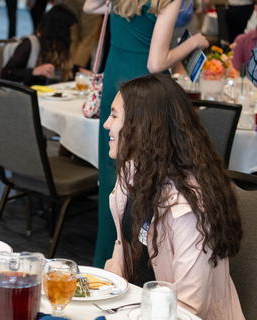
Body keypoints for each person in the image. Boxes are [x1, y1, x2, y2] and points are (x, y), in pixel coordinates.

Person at [103, 73, 244, 319]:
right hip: (134, 307)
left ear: (142, 127)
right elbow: (124, 248)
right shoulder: (133, 170)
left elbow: (188, 309)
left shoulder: (188, 210)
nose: (106, 123)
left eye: (114, 115)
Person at [84, 0, 209, 268]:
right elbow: (155, 63)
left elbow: (89, 6)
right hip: (143, 92)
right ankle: (146, 265)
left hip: (114, 84)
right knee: (149, 176)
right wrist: (194, 42)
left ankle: (108, 261)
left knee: (113, 174)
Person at [1, 4, 91, 86]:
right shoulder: (30, 43)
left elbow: (57, 68)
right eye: (69, 31)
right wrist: (34, 71)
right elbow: (6, 74)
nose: (71, 35)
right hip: (28, 97)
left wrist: (78, 70)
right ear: (61, 31)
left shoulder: (56, 45)